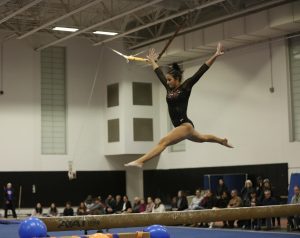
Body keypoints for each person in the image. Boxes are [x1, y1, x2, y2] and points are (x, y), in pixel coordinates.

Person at [125, 43, 233, 167]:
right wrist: (152, 62)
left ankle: (140, 161)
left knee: (163, 142)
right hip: (182, 126)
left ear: (177, 79)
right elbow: (159, 73)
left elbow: (201, 71)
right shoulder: (168, 89)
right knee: (203, 138)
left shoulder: (186, 86)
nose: (167, 82)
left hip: (184, 125)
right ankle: (221, 141)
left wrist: (215, 55)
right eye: (167, 80)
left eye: (170, 79)